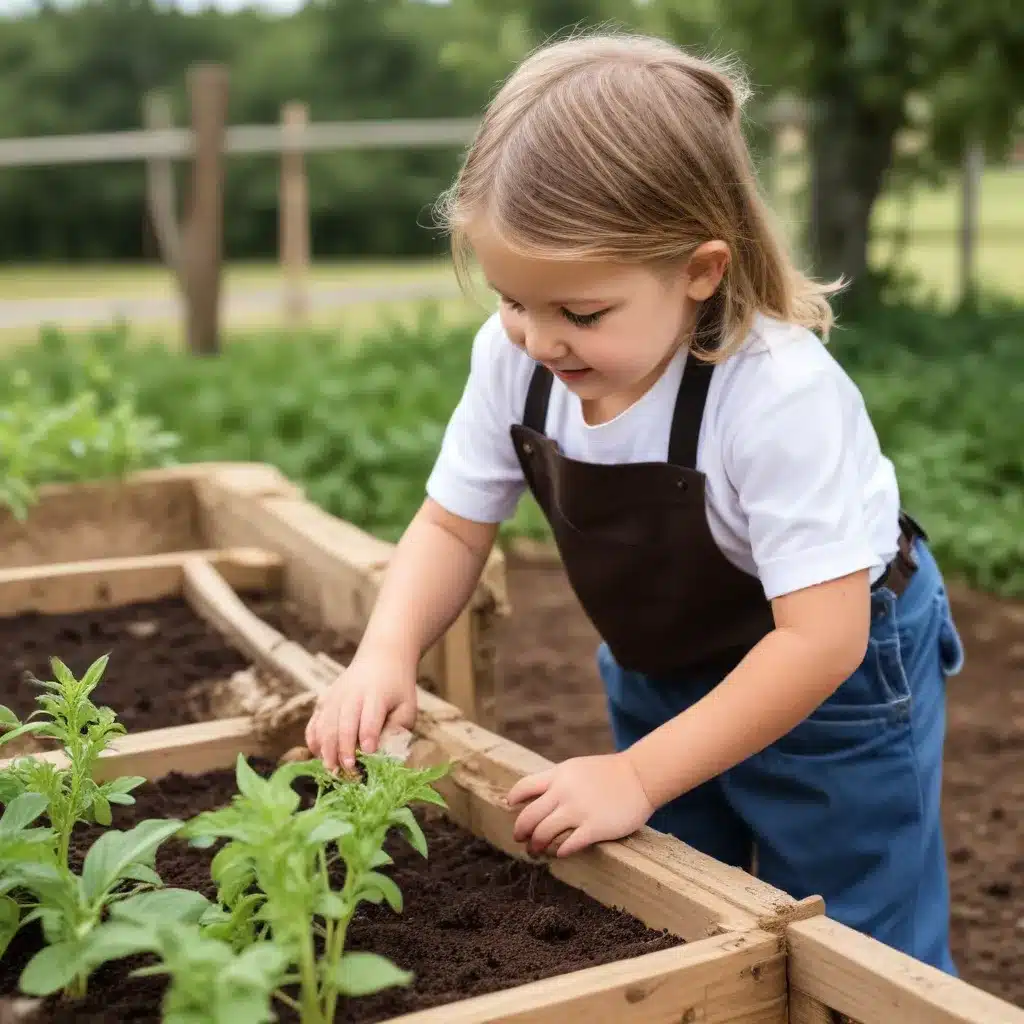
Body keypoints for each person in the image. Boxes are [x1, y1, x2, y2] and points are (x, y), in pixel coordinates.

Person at [304, 31, 966, 973]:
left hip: (838, 690)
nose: (540, 339)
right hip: (664, 665)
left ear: (700, 271)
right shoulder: (516, 359)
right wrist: (386, 653)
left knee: (852, 939)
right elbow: (452, 522)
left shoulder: (776, 394)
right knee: (671, 906)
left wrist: (637, 774)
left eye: (581, 313)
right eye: (511, 300)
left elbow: (821, 639)